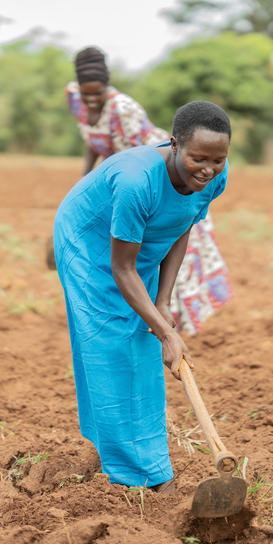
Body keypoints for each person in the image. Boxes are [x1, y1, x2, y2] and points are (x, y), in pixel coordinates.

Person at [54, 100, 231, 491]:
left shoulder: (215, 174)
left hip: (143, 242)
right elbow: (121, 268)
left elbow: (182, 224)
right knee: (112, 346)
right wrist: (168, 333)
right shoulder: (137, 181)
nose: (209, 169)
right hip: (89, 241)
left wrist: (163, 302)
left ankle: (142, 458)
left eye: (218, 160)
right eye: (199, 158)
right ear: (173, 145)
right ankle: (132, 474)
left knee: (141, 341)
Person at [64, 47, 233, 334]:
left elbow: (138, 161)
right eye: (86, 93)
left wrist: (167, 192)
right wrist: (84, 179)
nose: (91, 99)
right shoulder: (74, 98)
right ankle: (148, 316)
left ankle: (170, 317)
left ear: (109, 84)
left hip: (171, 176)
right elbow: (93, 141)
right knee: (126, 253)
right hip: (128, 181)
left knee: (170, 248)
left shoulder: (124, 109)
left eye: (98, 93)